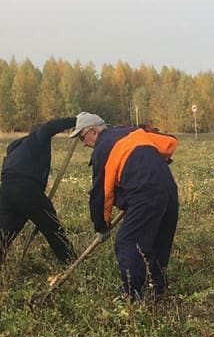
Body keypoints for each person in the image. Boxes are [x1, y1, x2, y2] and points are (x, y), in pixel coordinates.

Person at [74, 112, 179, 300]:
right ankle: (159, 289)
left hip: (145, 193)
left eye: (82, 137)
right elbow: (167, 143)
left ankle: (133, 296)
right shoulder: (130, 132)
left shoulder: (102, 149)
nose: (84, 143)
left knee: (127, 242)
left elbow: (101, 194)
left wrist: (101, 226)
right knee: (157, 240)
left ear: (93, 131)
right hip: (168, 187)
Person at [0, 117, 78, 267]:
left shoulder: (15, 146)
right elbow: (49, 127)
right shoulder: (37, 139)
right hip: (26, 188)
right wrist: (76, 120)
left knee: (5, 229)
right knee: (51, 226)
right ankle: (70, 262)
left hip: (6, 188)